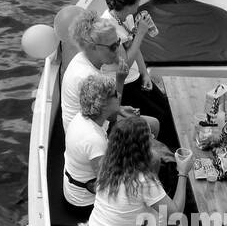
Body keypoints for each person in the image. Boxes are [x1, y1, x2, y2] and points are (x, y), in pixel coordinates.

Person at [85, 115, 214, 226]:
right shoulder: (142, 179)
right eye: (149, 137)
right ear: (141, 146)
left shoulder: (108, 163)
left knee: (158, 213)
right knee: (165, 222)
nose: (153, 139)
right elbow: (175, 213)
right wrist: (183, 173)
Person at [62, 10, 159, 138]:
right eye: (113, 47)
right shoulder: (89, 77)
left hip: (92, 124)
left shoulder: (82, 58)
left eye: (118, 43)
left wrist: (121, 109)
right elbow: (112, 116)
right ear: (93, 47)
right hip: (92, 138)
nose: (118, 50)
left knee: (153, 123)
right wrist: (120, 80)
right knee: (153, 126)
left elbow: (106, 109)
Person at [102, 0, 173, 132]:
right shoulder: (108, 27)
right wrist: (141, 33)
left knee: (166, 109)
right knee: (160, 116)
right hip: (124, 85)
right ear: (130, 5)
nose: (139, 4)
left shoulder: (126, 16)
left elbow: (132, 45)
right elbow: (124, 65)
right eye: (138, 1)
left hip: (135, 77)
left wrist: (144, 73)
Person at [61, 74, 119, 216]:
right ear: (104, 104)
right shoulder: (94, 140)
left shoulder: (81, 116)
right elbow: (106, 187)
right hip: (84, 205)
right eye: (115, 95)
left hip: (75, 191)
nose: (118, 99)